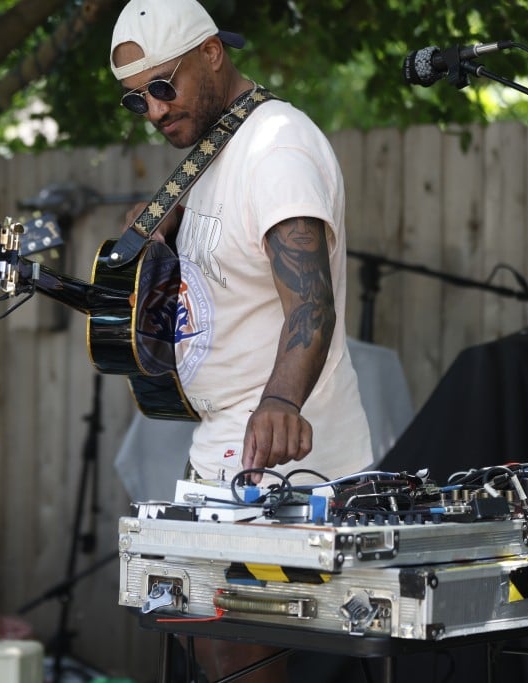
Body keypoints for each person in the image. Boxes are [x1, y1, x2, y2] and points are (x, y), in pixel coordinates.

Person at [109, 0, 373, 680]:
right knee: (206, 645)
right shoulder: (212, 151)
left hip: (285, 458)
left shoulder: (275, 145)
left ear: (211, 54)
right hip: (221, 447)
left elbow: (311, 301)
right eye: (137, 100)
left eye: (162, 85)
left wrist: (281, 401)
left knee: (236, 652)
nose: (154, 110)